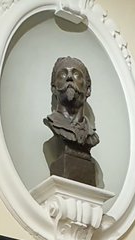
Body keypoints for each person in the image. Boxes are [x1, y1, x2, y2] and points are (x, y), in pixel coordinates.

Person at [43, 55, 101, 186]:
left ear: (88, 89)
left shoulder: (92, 136)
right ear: (53, 88)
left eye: (76, 75)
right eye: (63, 75)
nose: (69, 78)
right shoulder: (52, 124)